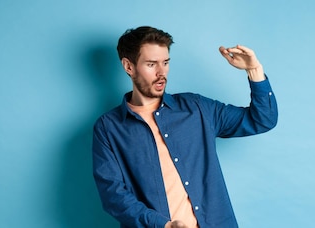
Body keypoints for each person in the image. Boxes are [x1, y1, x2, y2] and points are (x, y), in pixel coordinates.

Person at [92, 26, 278, 228]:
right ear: (129, 67)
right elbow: (113, 195)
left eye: (165, 63)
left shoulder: (197, 108)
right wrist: (162, 225)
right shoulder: (108, 128)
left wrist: (254, 70)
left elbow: (262, 120)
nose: (161, 72)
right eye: (151, 64)